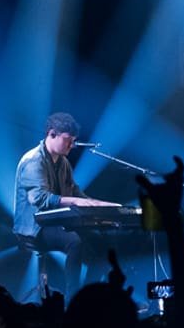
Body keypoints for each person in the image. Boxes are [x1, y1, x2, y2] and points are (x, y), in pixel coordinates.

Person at [13, 112, 119, 296]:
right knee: (75, 242)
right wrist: (78, 201)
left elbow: (74, 191)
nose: (72, 145)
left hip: (55, 222)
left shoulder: (63, 163)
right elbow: (40, 199)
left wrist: (97, 204)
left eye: (74, 140)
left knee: (104, 245)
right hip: (33, 227)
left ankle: (88, 296)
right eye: (68, 139)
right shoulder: (33, 161)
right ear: (52, 134)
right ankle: (73, 299)